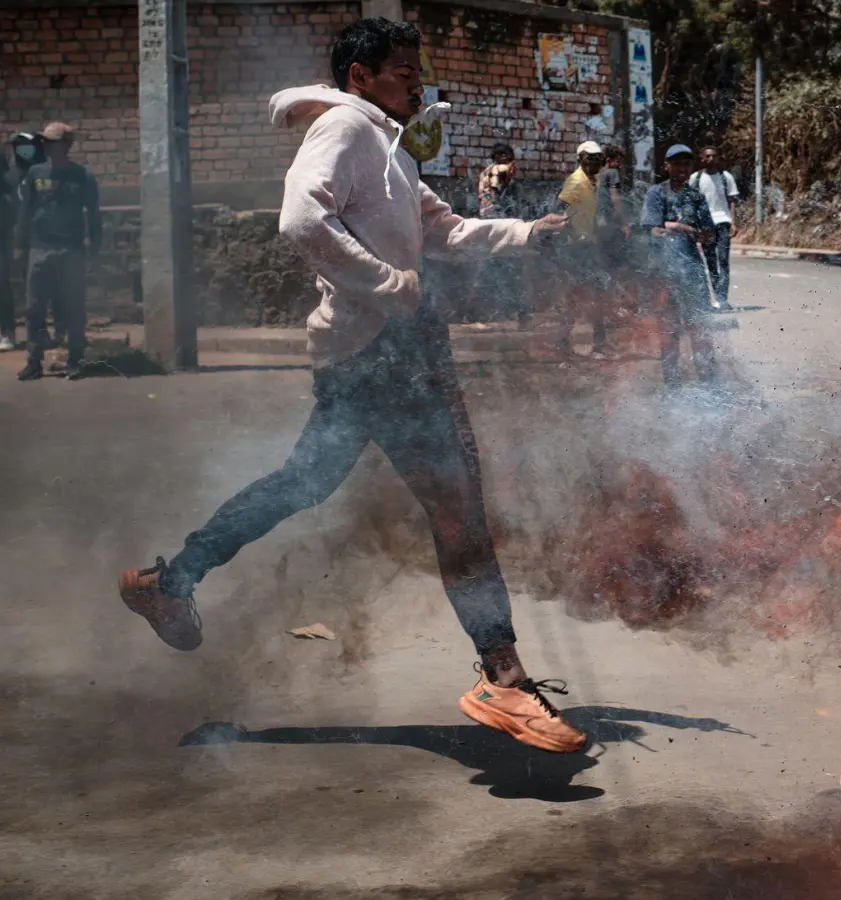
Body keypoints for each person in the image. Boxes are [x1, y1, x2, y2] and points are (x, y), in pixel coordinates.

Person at [116, 17, 587, 754]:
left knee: (305, 481)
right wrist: (390, 285)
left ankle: (169, 580)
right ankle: (504, 678)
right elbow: (301, 217)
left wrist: (529, 234)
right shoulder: (347, 128)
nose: (416, 81)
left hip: (378, 350)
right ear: (360, 75)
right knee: (457, 508)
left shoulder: (390, 147)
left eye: (416, 68)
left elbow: (445, 230)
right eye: (401, 69)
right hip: (386, 351)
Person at [14, 123, 100, 381]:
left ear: (67, 145)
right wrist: (20, 245)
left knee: (73, 308)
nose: (49, 147)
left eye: (54, 142)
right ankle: (34, 361)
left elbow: (94, 215)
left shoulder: (82, 176)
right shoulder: (35, 174)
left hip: (71, 250)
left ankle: (75, 360)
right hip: (40, 248)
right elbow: (25, 211)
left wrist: (94, 247)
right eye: (46, 143)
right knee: (34, 309)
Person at [640, 144, 717, 385]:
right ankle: (672, 381)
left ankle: (707, 380)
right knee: (669, 327)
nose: (682, 168)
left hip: (692, 269)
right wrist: (675, 227)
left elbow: (709, 231)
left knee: (699, 325)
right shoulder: (656, 193)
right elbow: (650, 229)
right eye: (677, 163)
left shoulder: (696, 196)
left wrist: (704, 235)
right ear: (666, 166)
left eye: (687, 163)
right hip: (664, 270)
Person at [552, 139, 613, 358]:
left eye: (598, 159)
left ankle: (597, 341)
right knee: (579, 296)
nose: (595, 162)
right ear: (580, 160)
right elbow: (558, 208)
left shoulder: (593, 180)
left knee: (593, 294)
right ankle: (569, 342)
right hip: (574, 248)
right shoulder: (576, 182)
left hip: (587, 246)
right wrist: (565, 229)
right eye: (590, 158)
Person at [0, 132, 43, 352]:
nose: (24, 150)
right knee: (3, 284)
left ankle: (44, 334)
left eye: (28, 146)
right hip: (9, 236)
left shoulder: (44, 172)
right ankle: (7, 331)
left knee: (40, 287)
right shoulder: (10, 177)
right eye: (19, 146)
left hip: (40, 237)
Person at [474, 143, 525, 324]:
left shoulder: (487, 171)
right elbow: (497, 192)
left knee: (496, 267)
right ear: (500, 157)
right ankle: (520, 314)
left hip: (491, 222)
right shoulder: (498, 171)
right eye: (507, 157)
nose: (510, 161)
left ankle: (489, 313)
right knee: (509, 268)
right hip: (499, 222)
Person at [690, 146, 738, 311]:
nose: (711, 159)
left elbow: (732, 200)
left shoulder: (726, 177)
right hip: (705, 225)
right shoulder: (695, 178)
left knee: (723, 261)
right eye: (707, 156)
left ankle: (723, 298)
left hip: (723, 222)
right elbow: (691, 203)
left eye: (714, 156)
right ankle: (717, 296)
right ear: (702, 158)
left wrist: (733, 222)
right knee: (711, 262)